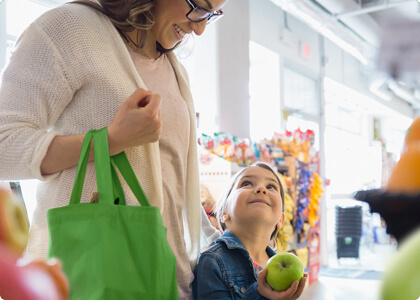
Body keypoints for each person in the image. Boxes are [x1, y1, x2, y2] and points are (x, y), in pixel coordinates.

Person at [0, 0, 228, 298]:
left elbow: (172, 186)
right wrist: (109, 140)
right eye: (198, 6)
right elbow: (4, 145)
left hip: (170, 284)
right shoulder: (69, 29)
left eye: (211, 15)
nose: (199, 28)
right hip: (88, 281)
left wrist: (236, 259)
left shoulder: (176, 70)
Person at [193, 162, 308, 299]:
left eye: (270, 186)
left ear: (280, 220)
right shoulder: (212, 262)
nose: (261, 189)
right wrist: (258, 294)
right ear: (224, 212)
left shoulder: (282, 265)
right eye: (246, 184)